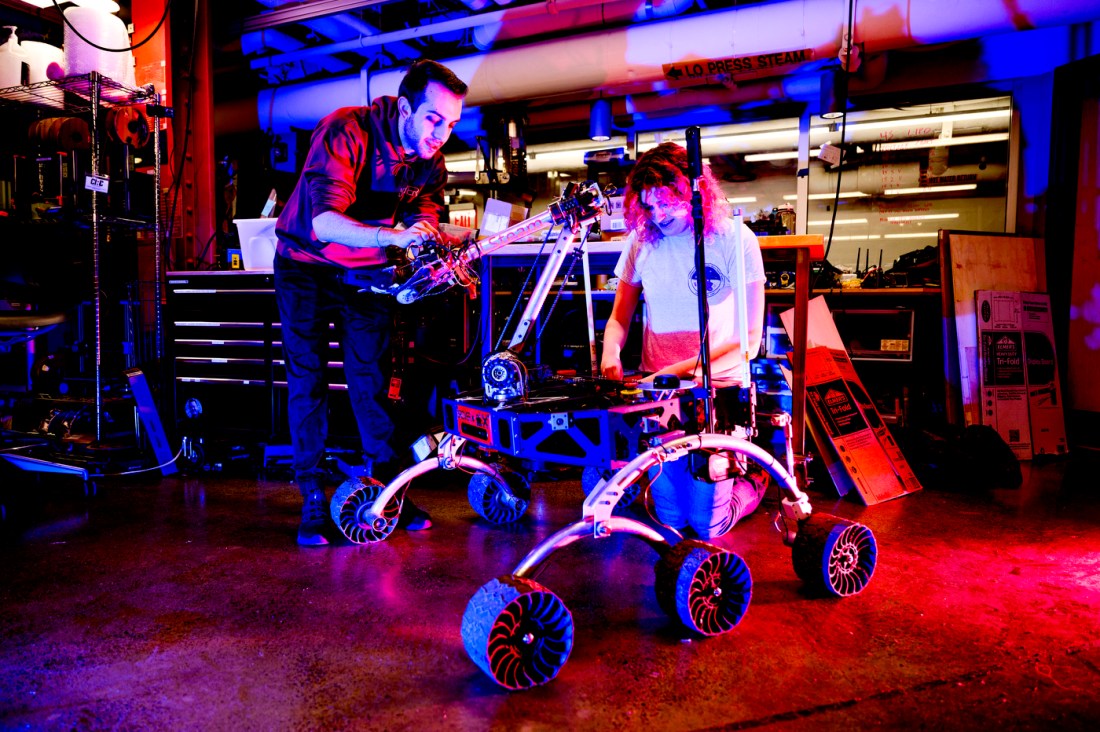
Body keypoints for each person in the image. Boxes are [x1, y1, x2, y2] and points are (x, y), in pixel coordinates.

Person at [274, 59, 468, 546]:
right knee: (308, 377)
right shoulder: (346, 130)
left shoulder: (429, 157)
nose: (442, 134)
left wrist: (429, 238)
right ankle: (313, 496)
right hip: (306, 266)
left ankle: (389, 494)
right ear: (405, 108)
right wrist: (395, 236)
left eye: (451, 123)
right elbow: (325, 224)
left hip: (363, 273)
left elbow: (424, 215)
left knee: (373, 379)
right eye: (433, 119)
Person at [600, 141, 767, 539]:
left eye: (667, 203)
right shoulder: (642, 241)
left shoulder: (734, 238)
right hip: (661, 395)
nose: (657, 215)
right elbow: (618, 319)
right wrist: (609, 352)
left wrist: (679, 370)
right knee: (671, 520)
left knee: (708, 527)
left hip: (718, 389)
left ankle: (754, 480)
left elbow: (750, 338)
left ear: (694, 192)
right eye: (649, 206)